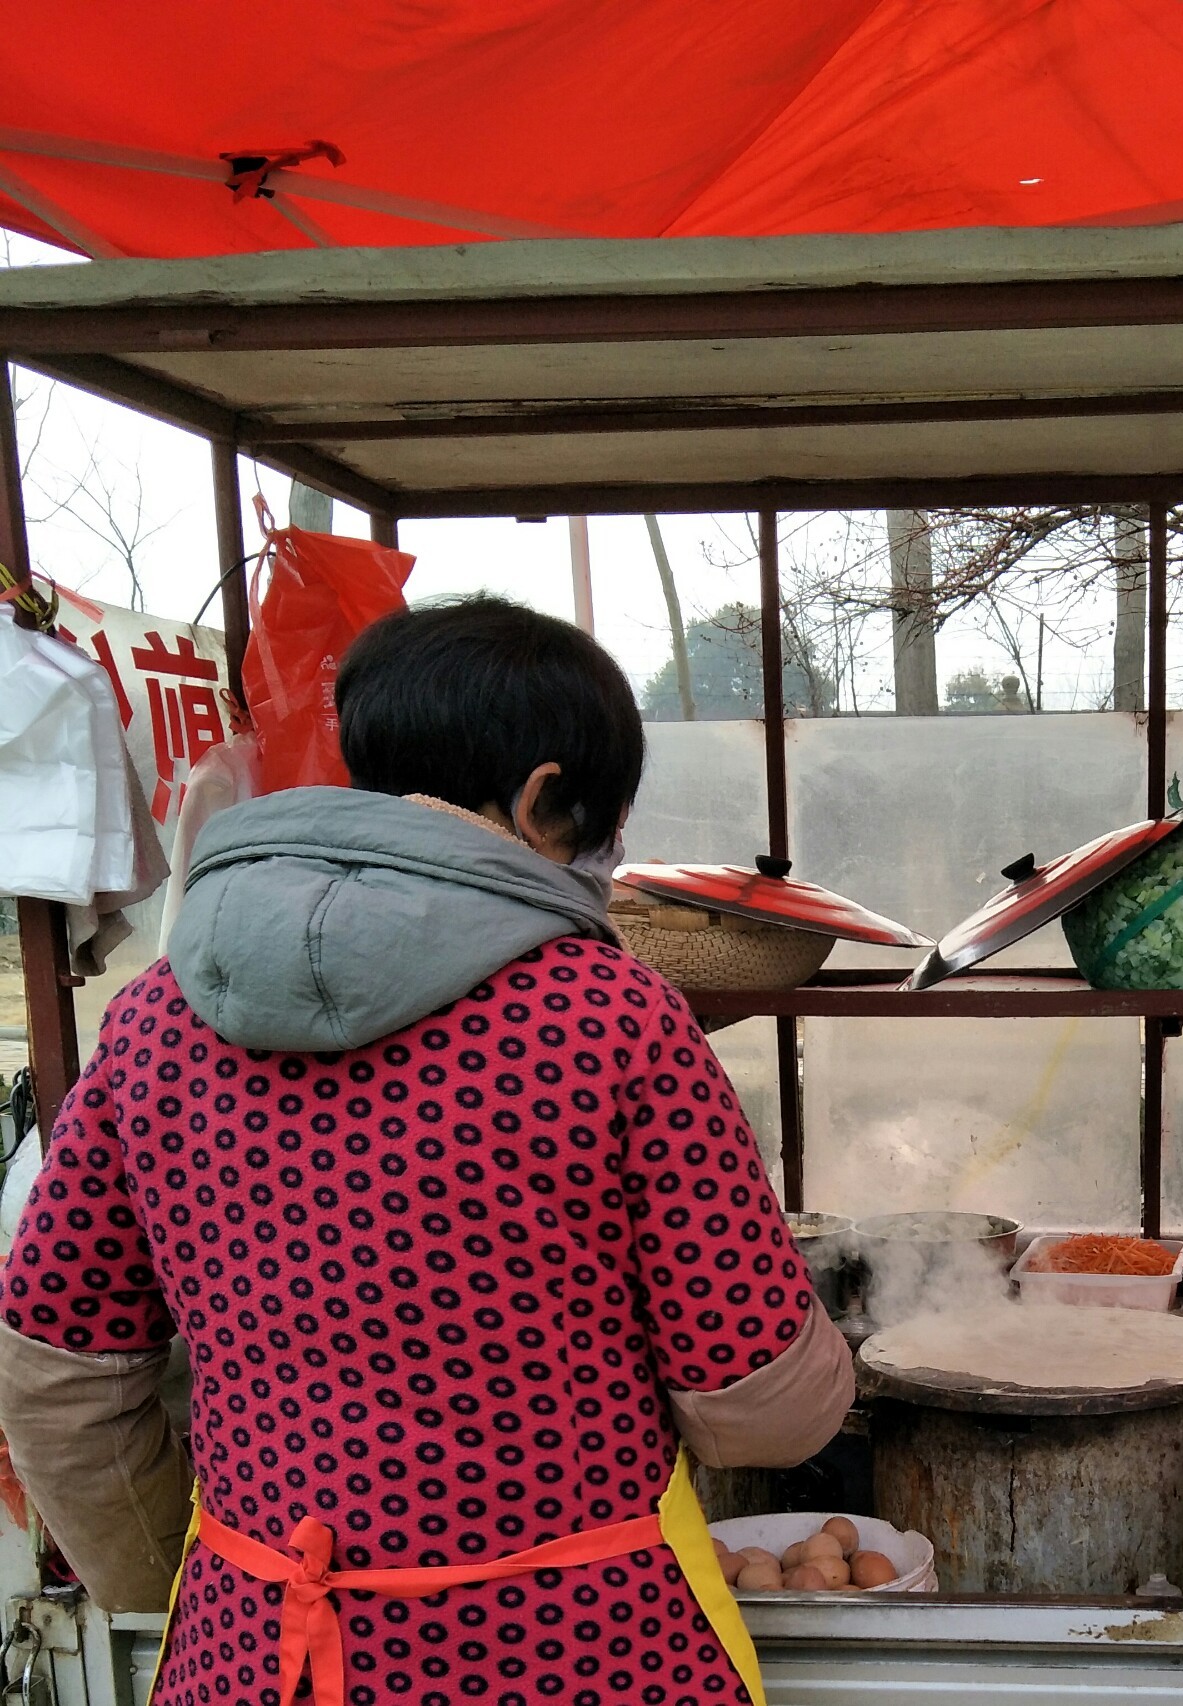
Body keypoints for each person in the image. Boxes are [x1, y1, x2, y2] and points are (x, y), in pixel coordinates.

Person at [0, 597, 852, 1706]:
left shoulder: (161, 1014)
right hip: (579, 1655)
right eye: (603, 820)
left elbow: (57, 1371)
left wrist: (212, 1579)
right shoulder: (607, 1014)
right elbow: (763, 1402)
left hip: (263, 1652)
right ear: (548, 796)